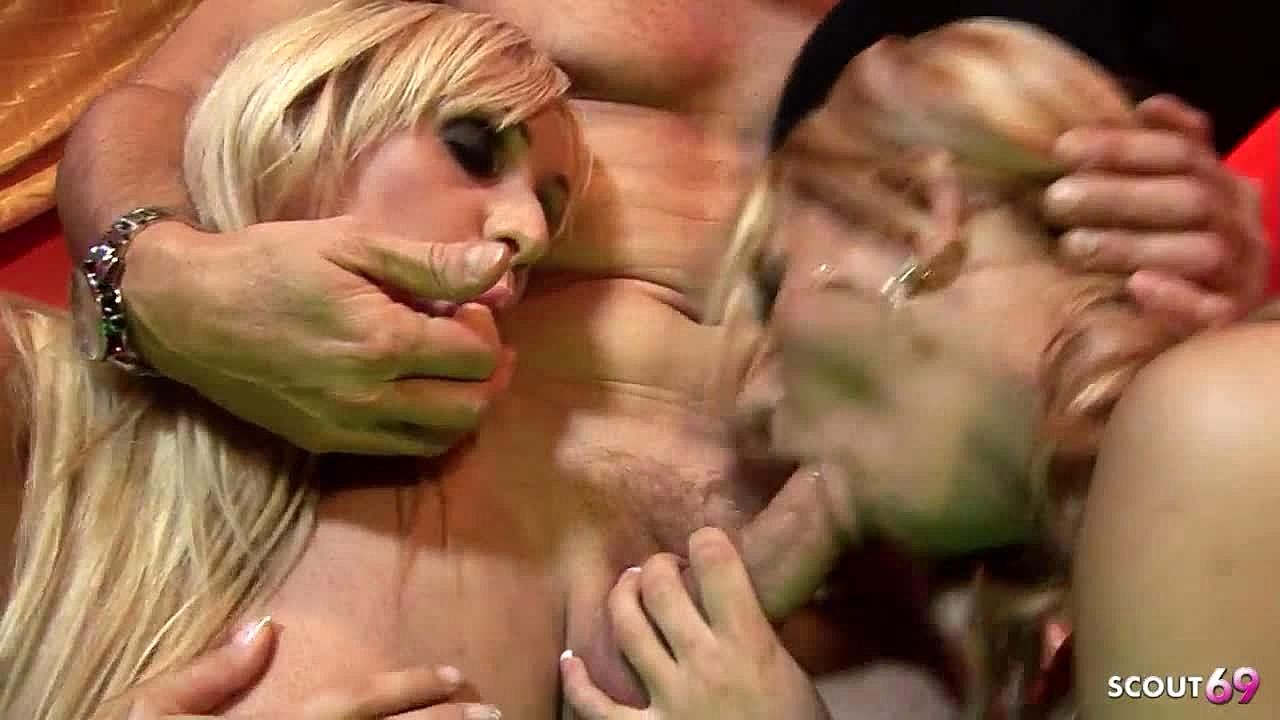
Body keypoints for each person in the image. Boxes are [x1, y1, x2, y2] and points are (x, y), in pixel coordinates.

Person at [44, 0, 1270, 717]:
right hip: (440, 568)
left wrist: (1203, 280)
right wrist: (148, 275)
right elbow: (169, 93)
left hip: (895, 637)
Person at [0, 3, 587, 719]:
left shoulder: (522, 546)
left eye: (549, 210)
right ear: (298, 118)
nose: (528, 233)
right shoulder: (23, 394)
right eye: (473, 149)